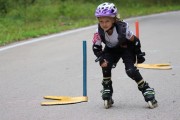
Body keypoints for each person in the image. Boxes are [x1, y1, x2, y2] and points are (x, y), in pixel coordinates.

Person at [92, 2, 157, 108]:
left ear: (114, 19)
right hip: (111, 49)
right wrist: (101, 59)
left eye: (107, 21)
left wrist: (139, 54)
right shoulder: (98, 31)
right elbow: (96, 47)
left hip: (125, 48)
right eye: (101, 21)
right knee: (105, 64)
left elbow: (135, 40)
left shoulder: (122, 28)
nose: (104, 24)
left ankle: (146, 89)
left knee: (130, 71)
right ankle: (107, 88)